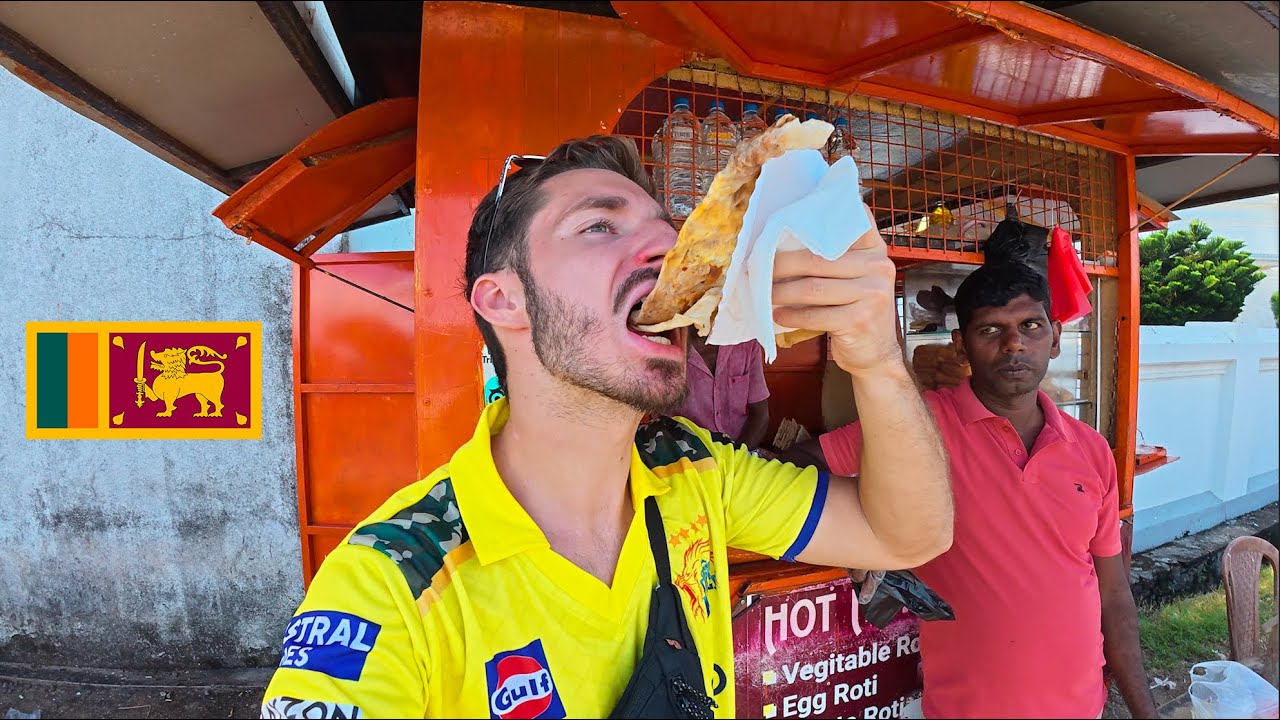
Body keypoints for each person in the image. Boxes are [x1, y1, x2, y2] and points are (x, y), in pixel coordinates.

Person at [259, 135, 952, 718]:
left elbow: (905, 534)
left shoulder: (693, 472)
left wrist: (879, 360)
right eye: (599, 225)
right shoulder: (390, 584)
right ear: (504, 300)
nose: (668, 245)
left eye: (665, 226)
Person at [782, 261, 1156, 719]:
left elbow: (1114, 597)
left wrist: (1145, 712)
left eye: (1031, 326)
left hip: (1082, 708)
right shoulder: (919, 425)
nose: (1014, 343)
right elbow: (799, 462)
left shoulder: (1091, 449)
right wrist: (858, 540)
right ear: (961, 345)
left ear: (1055, 338)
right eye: (991, 329)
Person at [672, 333, 770, 448]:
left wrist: (735, 458)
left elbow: (761, 416)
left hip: (741, 451)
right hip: (684, 455)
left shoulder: (746, 342)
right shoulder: (667, 347)